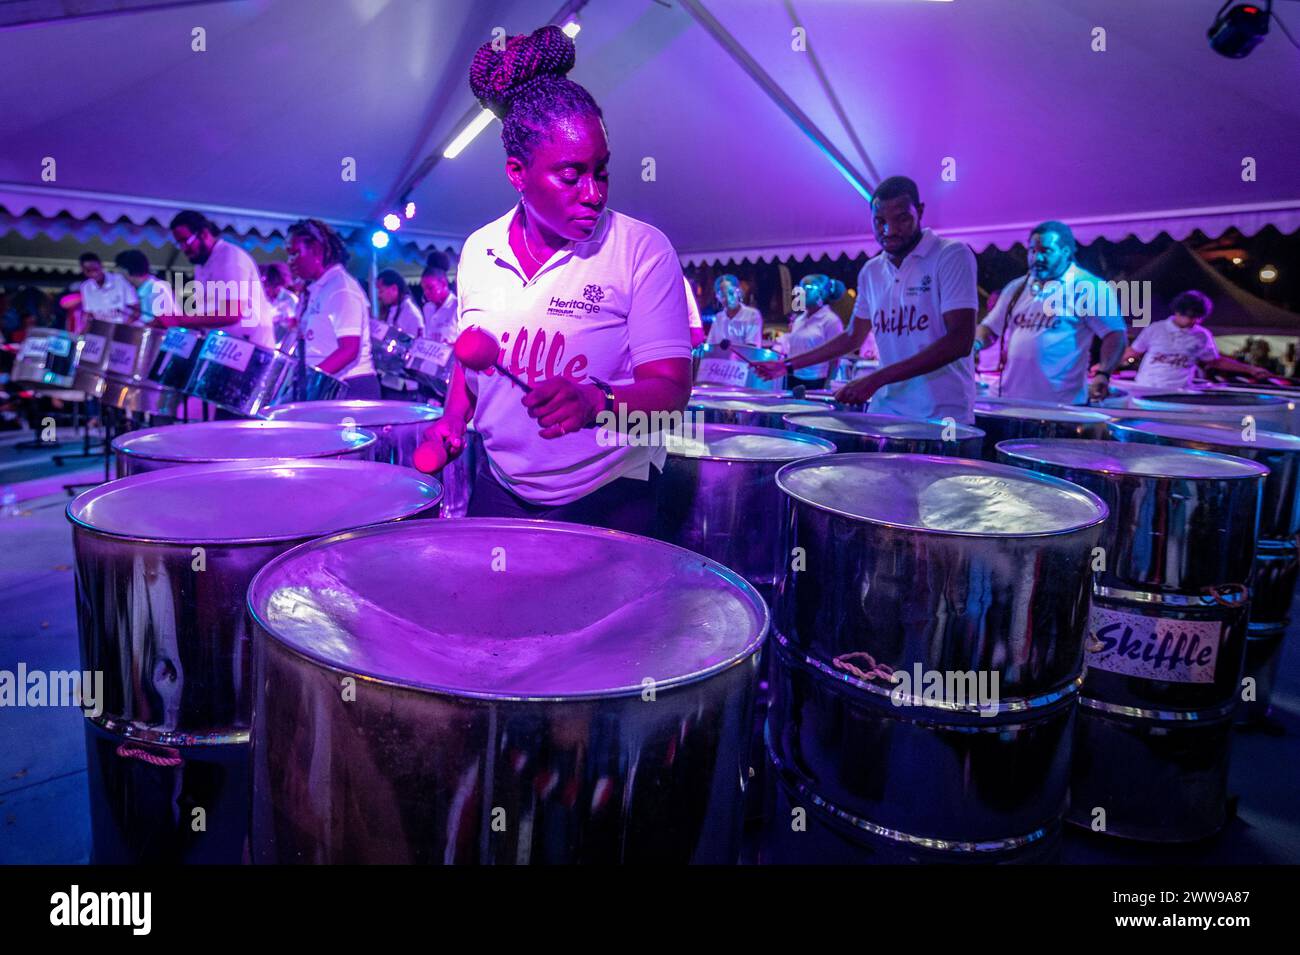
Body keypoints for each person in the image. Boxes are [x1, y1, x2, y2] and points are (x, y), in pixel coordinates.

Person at [425, 25, 691, 534]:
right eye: (571, 175)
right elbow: (473, 355)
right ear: (518, 173)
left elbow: (672, 393)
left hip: (609, 494)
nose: (593, 193)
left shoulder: (641, 250)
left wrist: (598, 401)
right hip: (499, 489)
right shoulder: (479, 250)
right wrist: (452, 420)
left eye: (602, 171)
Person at [756, 176, 978, 422]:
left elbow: (960, 340)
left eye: (901, 219)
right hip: (886, 412)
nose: (890, 230)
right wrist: (786, 366)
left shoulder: (950, 255)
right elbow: (853, 336)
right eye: (880, 221)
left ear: (921, 211)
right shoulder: (871, 271)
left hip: (942, 416)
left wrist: (876, 379)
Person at [974, 221, 1126, 404]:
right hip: (1009, 400)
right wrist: (973, 344)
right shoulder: (1017, 287)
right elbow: (990, 328)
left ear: (1066, 252)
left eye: (1046, 251)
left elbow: (1115, 335)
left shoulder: (1088, 287)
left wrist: (1103, 373)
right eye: (1032, 251)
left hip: (1060, 405)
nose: (1037, 258)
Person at [285, 218, 380, 399]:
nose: (290, 261)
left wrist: (310, 381)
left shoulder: (340, 287)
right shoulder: (317, 289)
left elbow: (349, 350)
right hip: (329, 383)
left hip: (350, 387)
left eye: (295, 253)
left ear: (317, 250)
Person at [163, 210, 276, 347]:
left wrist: (181, 320)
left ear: (203, 234)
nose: (183, 248)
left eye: (185, 241)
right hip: (226, 347)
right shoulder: (201, 265)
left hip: (250, 349)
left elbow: (232, 312)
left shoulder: (229, 258)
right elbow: (208, 314)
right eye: (179, 244)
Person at [1124, 290, 1269, 390]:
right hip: (1146, 387)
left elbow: (1215, 361)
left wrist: (1250, 369)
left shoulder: (1202, 335)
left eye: (1197, 317)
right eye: (1189, 316)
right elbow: (1132, 352)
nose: (1193, 321)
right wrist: (1103, 367)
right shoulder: (1155, 329)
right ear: (1177, 312)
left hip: (1179, 392)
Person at [780, 275, 845, 390]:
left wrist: (827, 386)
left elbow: (835, 359)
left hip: (816, 381)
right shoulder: (799, 319)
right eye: (801, 288)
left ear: (820, 293)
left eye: (808, 289)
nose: (802, 293)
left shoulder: (831, 321)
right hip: (792, 377)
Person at [374, 269, 422, 400]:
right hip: (390, 382)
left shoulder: (410, 312)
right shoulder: (391, 310)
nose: (379, 296)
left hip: (404, 387)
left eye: (381, 290)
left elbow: (413, 349)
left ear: (394, 288)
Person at [60, 253, 135, 330]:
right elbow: (89, 315)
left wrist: (122, 328)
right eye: (88, 271)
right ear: (83, 270)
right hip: (100, 332)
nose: (93, 273)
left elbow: (135, 309)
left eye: (95, 269)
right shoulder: (86, 287)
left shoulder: (120, 280)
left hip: (122, 331)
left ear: (101, 266)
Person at [114, 250, 176, 324]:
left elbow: (162, 323)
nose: (119, 276)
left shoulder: (158, 289)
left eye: (120, 271)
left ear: (127, 271)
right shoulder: (134, 291)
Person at [705, 274, 762, 348]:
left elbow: (752, 348)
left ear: (739, 292)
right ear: (718, 298)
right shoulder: (719, 318)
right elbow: (710, 346)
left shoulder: (752, 315)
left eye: (731, 293)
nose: (728, 298)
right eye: (723, 295)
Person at [421, 252, 458, 344]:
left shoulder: (457, 306)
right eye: (424, 289)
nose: (426, 293)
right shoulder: (427, 308)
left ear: (443, 283)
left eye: (430, 288)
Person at [260, 262, 300, 344]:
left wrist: (280, 319)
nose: (266, 289)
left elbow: (292, 326)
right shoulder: (260, 295)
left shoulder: (290, 300)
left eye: (269, 286)